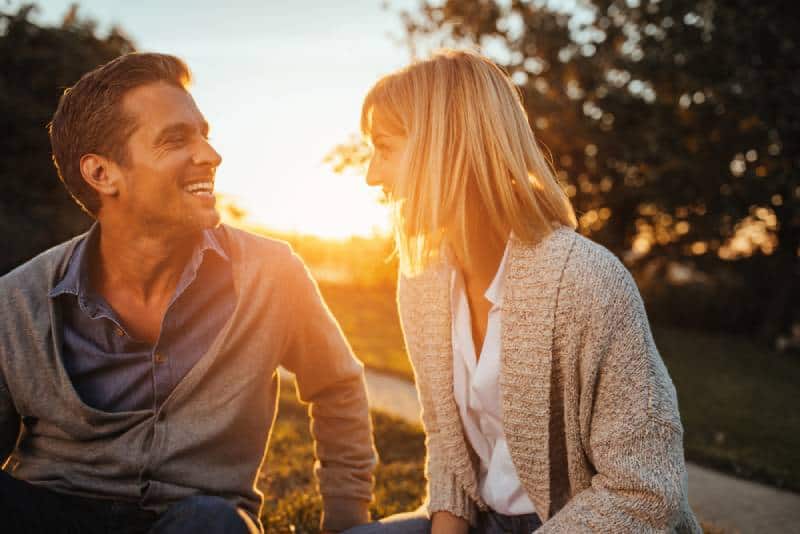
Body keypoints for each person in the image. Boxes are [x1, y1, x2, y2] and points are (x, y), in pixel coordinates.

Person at [0, 52, 376, 534]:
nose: (210, 155)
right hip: (52, 511)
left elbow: (337, 387)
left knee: (213, 522)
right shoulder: (17, 302)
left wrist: (345, 518)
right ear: (102, 174)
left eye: (204, 134)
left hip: (194, 521)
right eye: (176, 139)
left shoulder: (271, 275)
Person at [346, 50, 702, 533]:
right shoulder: (422, 282)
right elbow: (448, 446)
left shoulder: (588, 281)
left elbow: (644, 492)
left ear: (448, 147)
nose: (373, 175)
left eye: (385, 149)